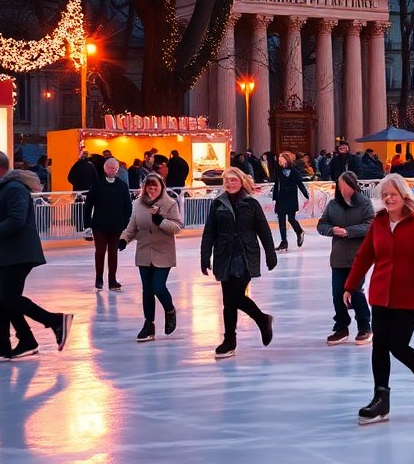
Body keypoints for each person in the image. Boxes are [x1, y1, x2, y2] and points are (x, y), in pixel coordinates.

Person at [346, 174, 414, 424]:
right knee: (379, 346)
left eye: (393, 194)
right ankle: (381, 400)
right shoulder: (378, 223)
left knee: (397, 344)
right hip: (380, 294)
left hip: (409, 294)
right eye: (385, 194)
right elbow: (365, 255)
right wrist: (350, 285)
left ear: (403, 195)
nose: (388, 198)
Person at [0, 152, 74, 361]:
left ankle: (55, 321)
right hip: (7, 252)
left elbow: (17, 219)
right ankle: (8, 341)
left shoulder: (14, 189)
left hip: (19, 252)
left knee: (8, 297)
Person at [200, 167, 278, 358]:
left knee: (232, 298)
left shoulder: (251, 203)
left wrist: (270, 253)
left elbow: (263, 229)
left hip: (245, 255)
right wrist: (204, 256)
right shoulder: (218, 204)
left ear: (242, 182)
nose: (229, 184)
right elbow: (209, 231)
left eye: (233, 180)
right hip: (224, 255)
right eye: (227, 181)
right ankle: (234, 337)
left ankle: (252, 324)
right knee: (229, 301)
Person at [120, 172, 183, 342]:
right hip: (144, 252)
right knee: (147, 290)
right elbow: (132, 227)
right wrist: (124, 240)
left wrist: (160, 220)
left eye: (155, 185)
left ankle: (169, 310)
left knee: (158, 286)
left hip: (163, 253)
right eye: (149, 186)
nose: (152, 189)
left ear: (161, 186)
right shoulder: (138, 204)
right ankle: (149, 325)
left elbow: (177, 227)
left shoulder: (169, 204)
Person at [319, 171, 376, 345]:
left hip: (358, 257)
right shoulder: (333, 204)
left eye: (345, 184)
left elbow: (371, 224)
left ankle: (365, 326)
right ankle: (341, 327)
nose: (342, 188)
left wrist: (349, 231)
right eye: (340, 184)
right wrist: (331, 230)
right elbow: (322, 224)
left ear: (353, 185)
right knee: (338, 293)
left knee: (356, 292)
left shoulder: (364, 204)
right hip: (337, 257)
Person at [84, 158, 133, 291]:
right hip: (99, 225)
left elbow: (128, 206)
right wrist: (87, 224)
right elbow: (88, 204)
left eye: (114, 168)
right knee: (100, 252)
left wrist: (125, 222)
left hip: (116, 225)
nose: (112, 170)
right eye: (109, 167)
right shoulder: (97, 185)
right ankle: (99, 277)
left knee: (113, 253)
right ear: (105, 169)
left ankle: (112, 280)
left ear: (117, 170)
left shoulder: (122, 186)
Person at [271, 151, 309, 251]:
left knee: (291, 219)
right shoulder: (278, 171)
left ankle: (299, 231)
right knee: (281, 220)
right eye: (279, 161)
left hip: (291, 198)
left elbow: (300, 184)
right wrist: (275, 198)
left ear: (287, 161)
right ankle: (284, 242)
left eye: (282, 161)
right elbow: (276, 185)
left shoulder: (294, 172)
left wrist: (306, 194)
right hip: (281, 198)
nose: (280, 163)